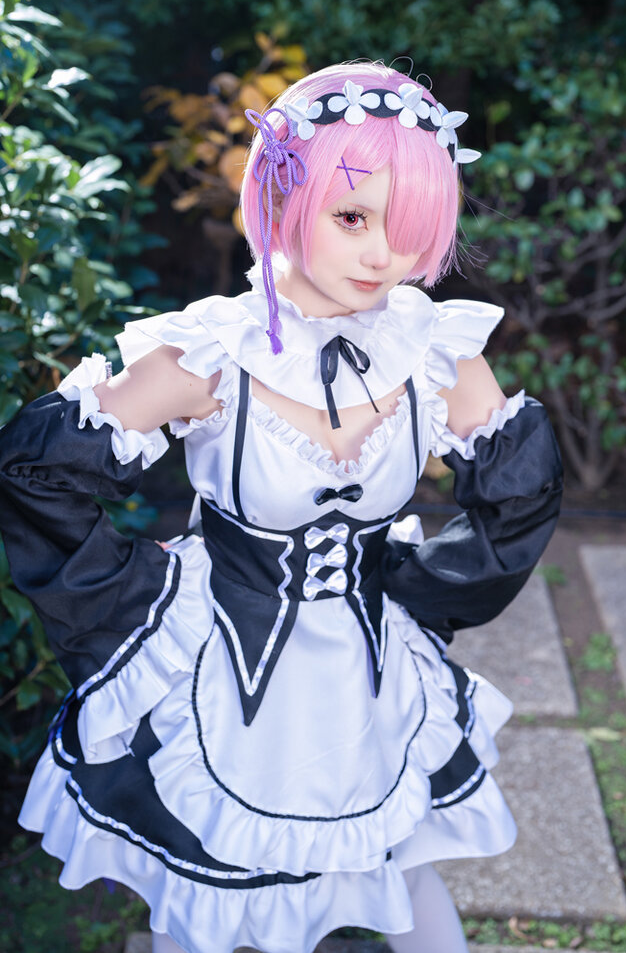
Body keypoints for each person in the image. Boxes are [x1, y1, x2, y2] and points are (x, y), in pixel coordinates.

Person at [0, 61, 563, 953]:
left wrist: (421, 589)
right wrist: (134, 600)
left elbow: (519, 495)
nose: (384, 255)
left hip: (369, 675)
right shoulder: (213, 354)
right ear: (283, 194)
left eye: (410, 226)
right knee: (212, 894)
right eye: (354, 217)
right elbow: (40, 472)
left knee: (403, 874)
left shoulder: (432, 350)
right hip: (224, 668)